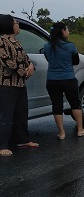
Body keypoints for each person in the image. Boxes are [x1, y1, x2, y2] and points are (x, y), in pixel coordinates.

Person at [0, 14, 38, 157]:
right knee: (6, 115)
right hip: (6, 84)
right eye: (16, 23)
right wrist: (24, 72)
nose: (18, 25)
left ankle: (23, 140)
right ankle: (2, 144)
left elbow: (26, 58)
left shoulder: (17, 42)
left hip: (20, 84)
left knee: (21, 113)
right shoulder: (1, 41)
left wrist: (31, 66)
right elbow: (6, 61)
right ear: (9, 25)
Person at [43, 22, 84, 139]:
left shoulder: (47, 46)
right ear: (63, 31)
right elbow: (76, 61)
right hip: (68, 79)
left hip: (52, 80)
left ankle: (62, 133)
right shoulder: (70, 46)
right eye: (67, 29)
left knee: (56, 106)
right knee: (75, 103)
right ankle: (80, 129)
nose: (68, 31)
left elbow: (49, 59)